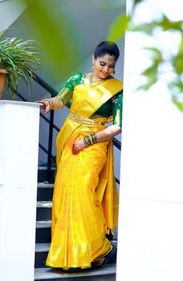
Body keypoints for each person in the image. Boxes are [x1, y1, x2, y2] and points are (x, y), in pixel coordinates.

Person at [38, 41, 123, 270]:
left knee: (83, 193)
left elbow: (117, 126)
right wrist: (47, 103)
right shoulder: (77, 79)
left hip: (94, 145)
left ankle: (98, 248)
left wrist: (87, 141)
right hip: (69, 139)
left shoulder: (117, 89)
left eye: (111, 66)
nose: (105, 70)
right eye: (102, 64)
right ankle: (69, 254)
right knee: (65, 195)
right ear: (93, 59)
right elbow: (61, 100)